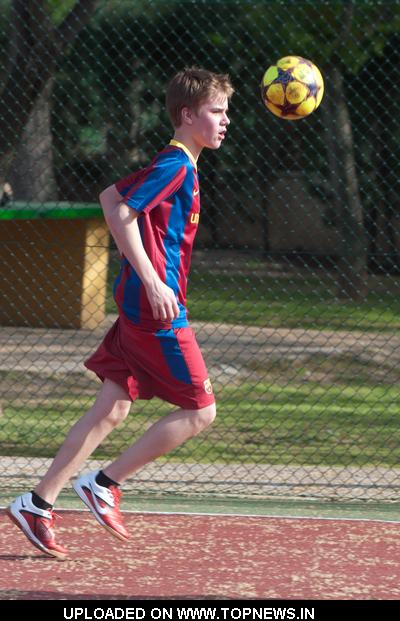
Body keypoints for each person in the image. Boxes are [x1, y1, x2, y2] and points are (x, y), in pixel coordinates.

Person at [7, 67, 234, 559]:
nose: (225, 121)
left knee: (113, 407)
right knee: (201, 411)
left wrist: (144, 278)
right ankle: (104, 483)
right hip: (156, 310)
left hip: (139, 304)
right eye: (216, 112)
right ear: (188, 115)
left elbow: (111, 198)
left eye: (226, 111)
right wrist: (152, 280)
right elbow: (125, 212)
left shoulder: (176, 163)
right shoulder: (175, 165)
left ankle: (37, 503)